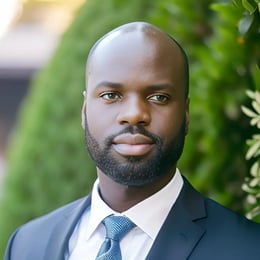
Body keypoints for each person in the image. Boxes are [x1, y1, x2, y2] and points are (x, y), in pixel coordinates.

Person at [4, 21, 260, 260]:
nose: (134, 114)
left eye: (159, 97)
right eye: (111, 95)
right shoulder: (26, 245)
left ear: (185, 113)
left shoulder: (247, 249)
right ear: (84, 109)